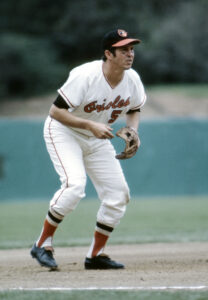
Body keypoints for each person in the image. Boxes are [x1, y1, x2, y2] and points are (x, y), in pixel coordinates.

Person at [30, 29, 146, 270]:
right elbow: (55, 112)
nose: (129, 53)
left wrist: (133, 130)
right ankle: (42, 243)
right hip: (64, 131)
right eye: (123, 49)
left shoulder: (132, 78)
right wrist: (89, 125)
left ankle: (96, 255)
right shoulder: (85, 75)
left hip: (96, 138)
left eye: (131, 49)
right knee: (74, 186)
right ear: (108, 54)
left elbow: (135, 108)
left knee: (118, 194)